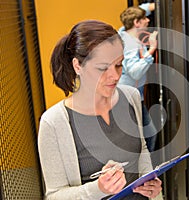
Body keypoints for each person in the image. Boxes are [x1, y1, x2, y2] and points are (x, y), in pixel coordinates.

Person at [37, 19, 162, 200]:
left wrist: (149, 182)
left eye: (119, 64)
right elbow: (54, 196)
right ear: (77, 66)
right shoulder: (54, 122)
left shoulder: (131, 97)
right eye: (103, 68)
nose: (115, 75)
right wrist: (98, 189)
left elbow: (141, 149)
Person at [118, 3, 158, 152]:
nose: (148, 20)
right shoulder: (130, 44)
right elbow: (134, 71)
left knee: (145, 135)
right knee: (147, 135)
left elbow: (133, 15)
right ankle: (145, 172)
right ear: (136, 22)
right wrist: (152, 49)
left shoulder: (123, 33)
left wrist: (151, 6)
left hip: (131, 96)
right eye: (144, 18)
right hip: (128, 98)